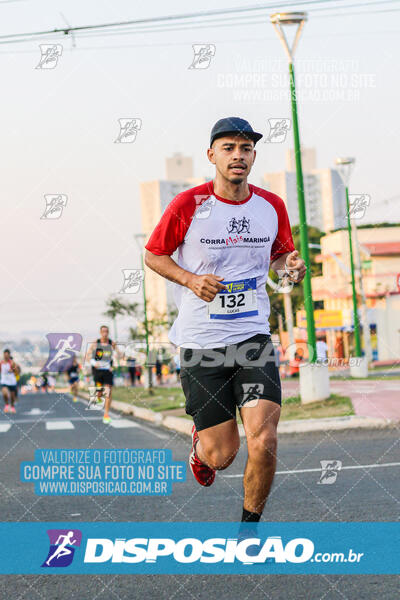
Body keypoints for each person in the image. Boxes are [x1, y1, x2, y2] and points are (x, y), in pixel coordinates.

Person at [144, 117, 306, 524]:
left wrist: (291, 267)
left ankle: (249, 530)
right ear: (212, 155)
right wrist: (190, 279)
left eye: (246, 148)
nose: (238, 155)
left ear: (253, 155)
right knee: (223, 455)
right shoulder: (188, 204)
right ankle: (202, 445)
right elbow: (154, 254)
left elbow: (281, 259)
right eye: (229, 148)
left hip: (252, 336)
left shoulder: (272, 206)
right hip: (202, 342)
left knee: (264, 438)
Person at [86, 325, 118, 424]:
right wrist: (93, 363)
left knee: (108, 390)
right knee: (99, 392)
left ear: (108, 332)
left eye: (106, 331)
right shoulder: (96, 343)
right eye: (103, 331)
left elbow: (119, 354)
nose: (105, 333)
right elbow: (87, 355)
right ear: (100, 332)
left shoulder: (111, 343)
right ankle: (98, 397)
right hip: (98, 370)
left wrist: (115, 363)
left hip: (108, 370)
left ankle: (106, 414)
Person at [1, 349, 18, 413]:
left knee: (12, 396)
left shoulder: (12, 363)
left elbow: (16, 371)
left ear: (9, 355)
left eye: (7, 355)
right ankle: (7, 405)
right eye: (5, 355)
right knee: (4, 393)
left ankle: (12, 406)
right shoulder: (1, 363)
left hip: (11, 381)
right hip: (4, 381)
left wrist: (12, 370)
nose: (6, 356)